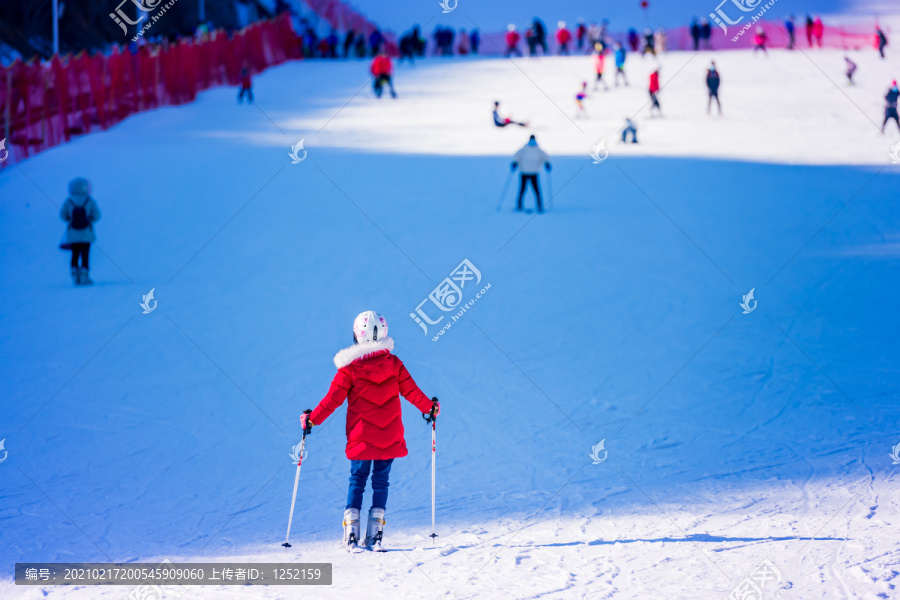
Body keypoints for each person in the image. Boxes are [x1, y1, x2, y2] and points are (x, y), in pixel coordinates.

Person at [300, 311, 439, 552]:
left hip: (361, 438)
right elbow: (412, 392)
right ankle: (375, 536)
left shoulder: (349, 369)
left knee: (357, 480)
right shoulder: (394, 364)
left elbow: (332, 400)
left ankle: (351, 535)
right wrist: (430, 408)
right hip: (389, 436)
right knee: (381, 481)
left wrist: (312, 420)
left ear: (356, 335)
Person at [59, 177, 101, 286]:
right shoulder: (89, 200)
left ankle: (74, 276)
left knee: (75, 254)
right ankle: (84, 276)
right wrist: (88, 219)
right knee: (85, 255)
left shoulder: (69, 200)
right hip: (86, 233)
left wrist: (71, 219)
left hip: (73, 233)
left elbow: (63, 216)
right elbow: (97, 216)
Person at [511, 135, 551, 213]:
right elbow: (517, 157)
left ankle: (538, 206)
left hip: (533, 173)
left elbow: (545, 157)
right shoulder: (525, 149)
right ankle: (520, 206)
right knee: (523, 190)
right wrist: (515, 163)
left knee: (534, 190)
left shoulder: (537, 150)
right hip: (525, 173)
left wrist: (547, 163)